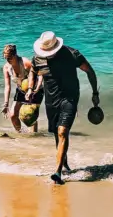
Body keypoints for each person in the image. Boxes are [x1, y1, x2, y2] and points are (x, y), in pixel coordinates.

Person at [28, 31, 100, 185]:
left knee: (62, 131)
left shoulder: (72, 54)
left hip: (70, 97)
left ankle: (58, 172)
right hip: (50, 99)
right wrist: (30, 88)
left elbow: (90, 71)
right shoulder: (38, 58)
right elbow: (33, 72)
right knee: (56, 132)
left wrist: (95, 93)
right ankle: (64, 162)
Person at [1, 44, 37, 133]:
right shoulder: (6, 67)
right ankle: (21, 135)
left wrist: (31, 90)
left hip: (34, 89)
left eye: (9, 58)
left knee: (30, 115)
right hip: (21, 90)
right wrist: (6, 104)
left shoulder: (25, 63)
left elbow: (36, 76)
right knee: (13, 115)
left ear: (15, 55)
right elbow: (7, 86)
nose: (7, 60)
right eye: (5, 58)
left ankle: (34, 137)